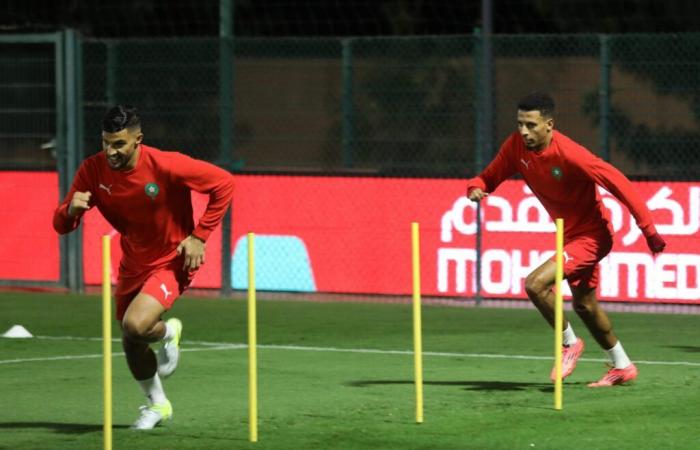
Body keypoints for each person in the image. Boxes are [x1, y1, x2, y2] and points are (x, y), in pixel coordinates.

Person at [466, 92, 666, 387]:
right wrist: (476, 187)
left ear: (549, 125)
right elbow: (488, 177)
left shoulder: (571, 154)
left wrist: (649, 230)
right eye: (520, 123)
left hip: (593, 236)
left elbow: (618, 182)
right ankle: (623, 366)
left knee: (535, 284)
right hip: (571, 237)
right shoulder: (515, 147)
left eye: (531, 125)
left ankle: (569, 344)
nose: (524, 131)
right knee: (585, 305)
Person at [53, 105, 234, 428]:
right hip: (133, 262)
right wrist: (70, 210)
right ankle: (158, 404)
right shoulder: (92, 170)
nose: (111, 151)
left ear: (138, 140)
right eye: (106, 142)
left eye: (119, 144)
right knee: (131, 339)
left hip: (172, 259)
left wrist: (199, 236)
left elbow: (224, 184)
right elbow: (61, 226)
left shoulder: (166, 164)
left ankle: (167, 332)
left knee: (136, 325)